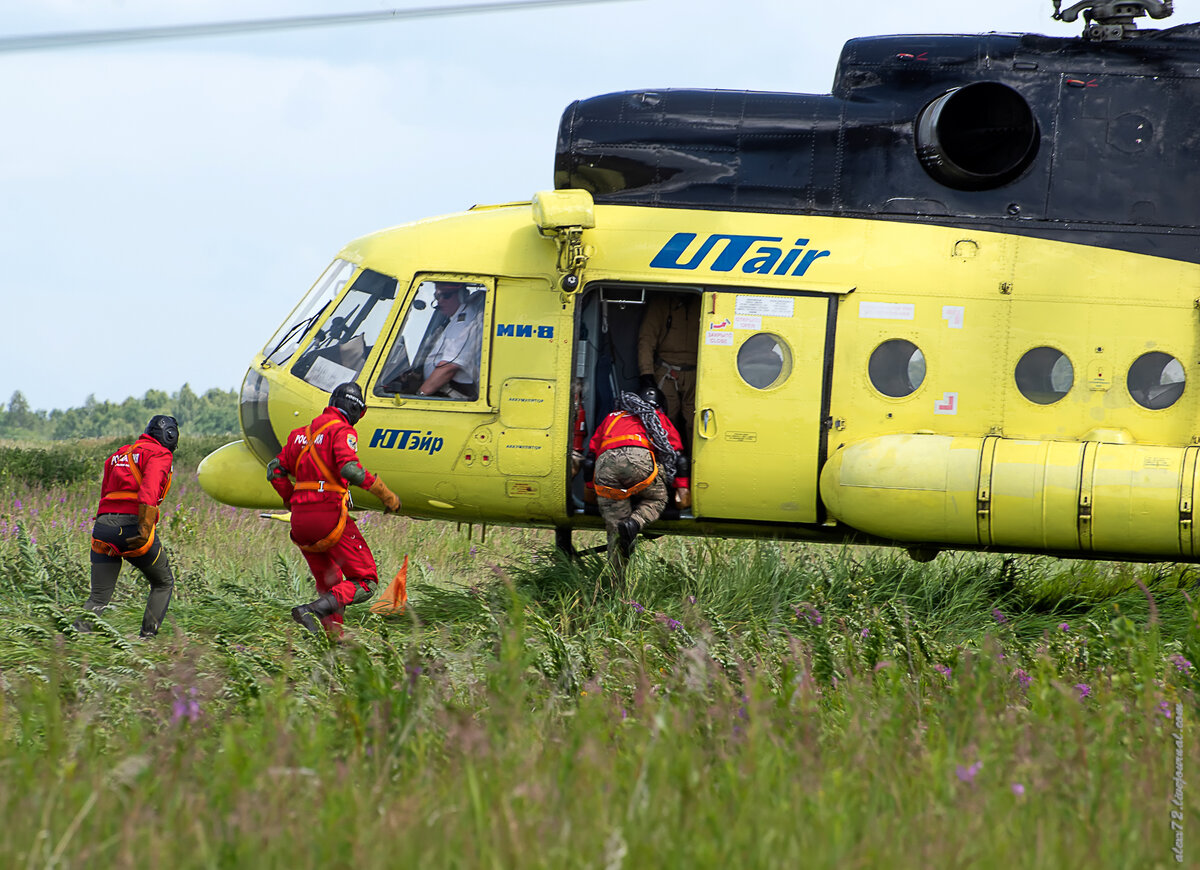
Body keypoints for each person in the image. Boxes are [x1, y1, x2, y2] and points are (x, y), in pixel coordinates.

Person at [266, 382, 402, 635]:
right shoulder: (341, 431)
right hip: (329, 518)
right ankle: (312, 611)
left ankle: (332, 644)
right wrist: (387, 495)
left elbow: (274, 469)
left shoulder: (299, 434)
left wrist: (291, 500)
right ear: (355, 410)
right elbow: (349, 469)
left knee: (331, 586)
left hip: (300, 523)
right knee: (366, 582)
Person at [76, 415, 179, 638]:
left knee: (98, 597)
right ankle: (147, 640)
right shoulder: (160, 454)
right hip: (132, 528)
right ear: (170, 436)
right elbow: (148, 493)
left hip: (103, 529)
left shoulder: (117, 454)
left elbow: (105, 493)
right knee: (163, 582)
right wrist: (144, 529)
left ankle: (71, 643)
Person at [584, 387, 690, 580]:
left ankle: (616, 590)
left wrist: (590, 490)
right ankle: (635, 523)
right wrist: (681, 488)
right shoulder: (656, 416)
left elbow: (591, 456)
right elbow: (677, 453)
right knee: (657, 499)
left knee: (615, 531)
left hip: (606, 464)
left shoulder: (613, 417)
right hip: (640, 461)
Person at [637, 292, 700, 443]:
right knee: (664, 420)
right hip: (666, 371)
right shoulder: (661, 302)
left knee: (696, 423)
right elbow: (646, 339)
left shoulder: (703, 301)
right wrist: (647, 374)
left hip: (697, 372)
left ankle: (693, 463)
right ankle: (665, 462)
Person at [417, 282, 484, 399]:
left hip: (450, 394)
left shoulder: (464, 323)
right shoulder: (456, 318)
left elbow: (449, 367)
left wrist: (420, 394)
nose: (440, 301)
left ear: (461, 296)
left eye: (446, 295)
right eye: (437, 296)